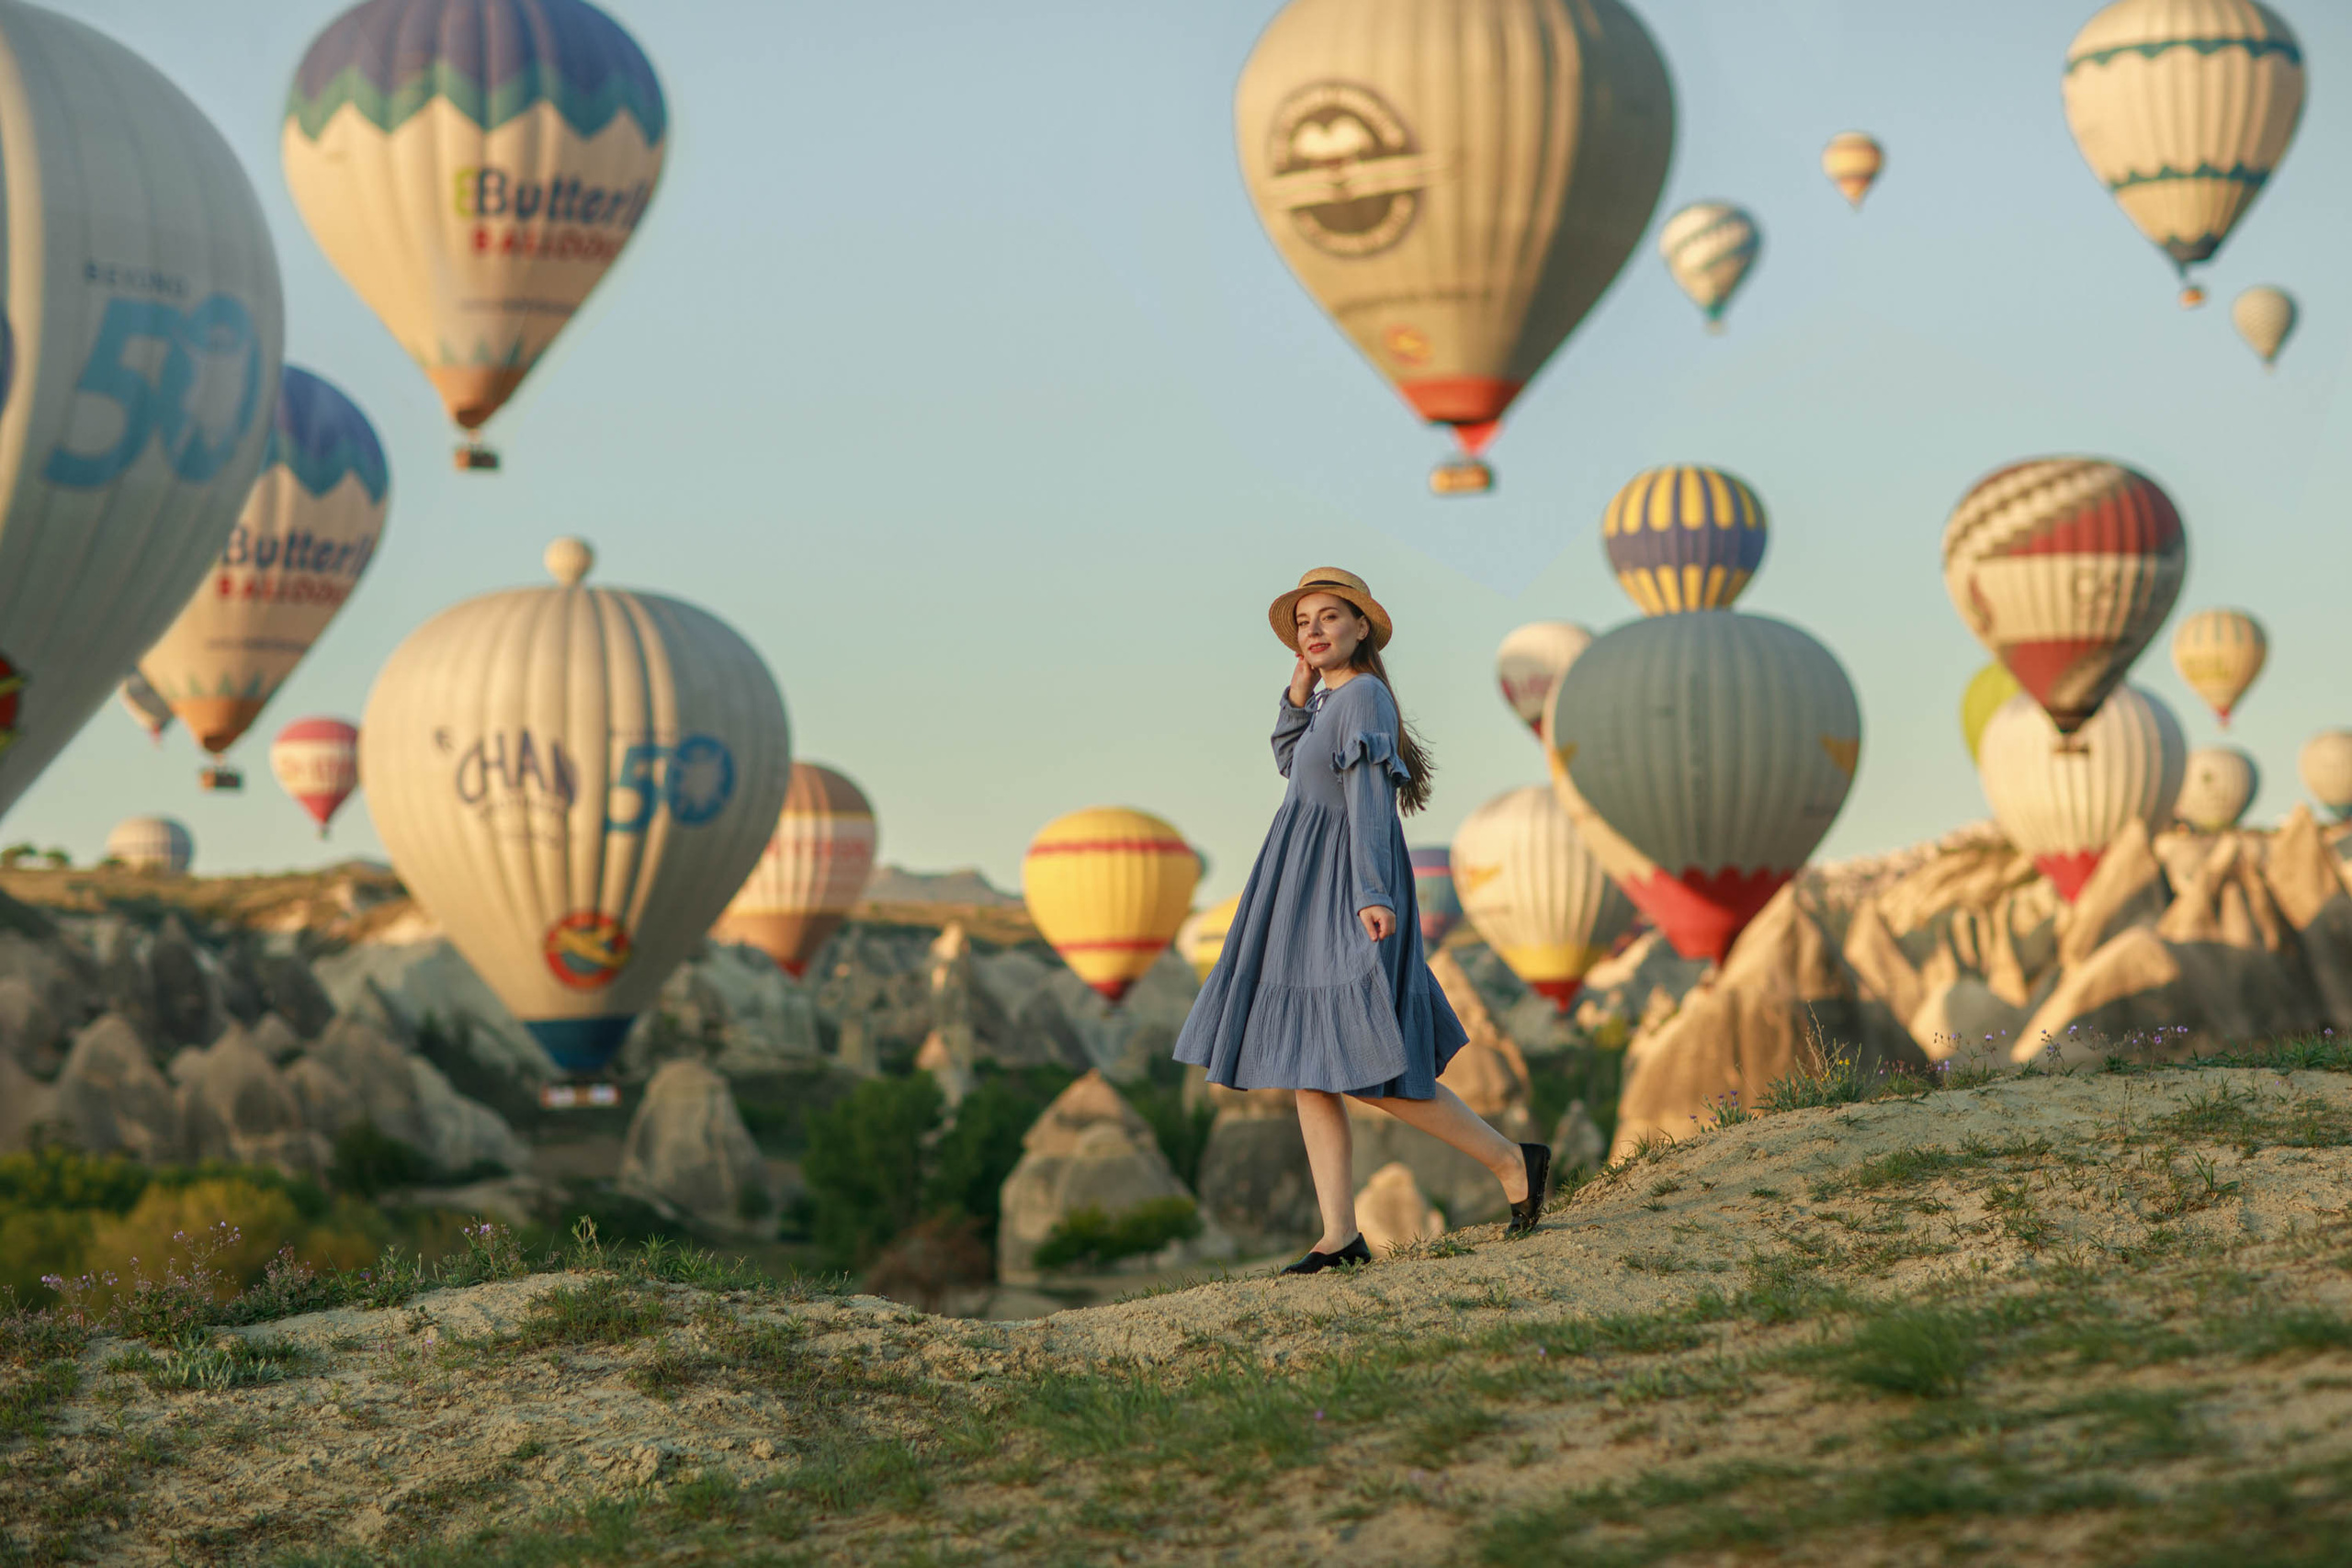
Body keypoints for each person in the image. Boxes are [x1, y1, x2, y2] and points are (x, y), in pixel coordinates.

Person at [1174, 568, 1548, 1274]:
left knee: (1373, 1066)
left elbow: (1370, 799)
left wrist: (1372, 892)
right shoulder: (1324, 703)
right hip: (1298, 887)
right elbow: (1293, 764)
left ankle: (1511, 1159)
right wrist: (1294, 694)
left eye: (1328, 619)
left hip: (1344, 884)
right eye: (1303, 622)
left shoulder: (1366, 696)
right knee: (1308, 1069)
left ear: (1360, 629)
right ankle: (1339, 1234)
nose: (1313, 631)